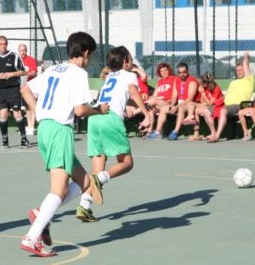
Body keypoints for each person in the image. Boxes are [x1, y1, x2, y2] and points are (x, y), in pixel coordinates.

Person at [19, 32, 109, 257]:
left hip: (46, 130)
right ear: (86, 53)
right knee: (58, 190)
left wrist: (39, 112)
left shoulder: (53, 69)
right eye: (91, 55)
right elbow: (79, 110)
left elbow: (25, 89)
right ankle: (32, 238)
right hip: (60, 130)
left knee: (85, 181)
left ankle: (42, 213)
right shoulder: (79, 73)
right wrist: (98, 109)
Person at [75, 46, 150, 222]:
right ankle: (101, 179)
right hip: (110, 118)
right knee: (127, 163)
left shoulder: (109, 76)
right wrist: (146, 114)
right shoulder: (129, 74)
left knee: (97, 166)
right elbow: (132, 92)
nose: (132, 62)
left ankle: (84, 205)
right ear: (125, 62)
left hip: (94, 118)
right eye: (131, 59)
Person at [202, 51, 255, 143]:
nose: (238, 72)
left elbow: (246, 64)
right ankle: (213, 133)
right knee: (206, 111)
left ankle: (217, 136)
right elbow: (227, 96)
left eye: (241, 70)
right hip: (225, 104)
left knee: (223, 111)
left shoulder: (249, 79)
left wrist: (245, 56)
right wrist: (220, 101)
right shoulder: (233, 82)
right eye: (237, 70)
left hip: (239, 105)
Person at [0, 36, 29, 148]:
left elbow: (23, 72)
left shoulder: (14, 56)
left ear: (7, 44)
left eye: (5, 43)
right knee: (2, 114)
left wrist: (11, 74)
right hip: (1, 91)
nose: (3, 46)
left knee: (17, 113)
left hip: (13, 90)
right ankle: (5, 140)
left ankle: (24, 139)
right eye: (0, 44)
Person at [145, 63, 178, 139]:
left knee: (150, 102)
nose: (164, 72)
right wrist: (150, 98)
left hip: (166, 102)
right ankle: (151, 131)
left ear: (169, 70)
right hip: (157, 103)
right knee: (150, 108)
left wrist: (172, 104)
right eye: (161, 71)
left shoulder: (174, 78)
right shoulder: (159, 82)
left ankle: (141, 116)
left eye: (165, 70)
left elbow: (174, 94)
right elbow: (155, 95)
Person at [167, 62, 199, 140]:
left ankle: (175, 132)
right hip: (181, 104)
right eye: (180, 73)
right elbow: (174, 96)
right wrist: (172, 105)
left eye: (184, 72)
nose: (182, 74)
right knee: (164, 109)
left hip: (192, 104)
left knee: (181, 109)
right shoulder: (176, 80)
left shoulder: (192, 81)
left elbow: (190, 98)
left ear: (188, 71)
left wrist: (177, 107)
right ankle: (157, 132)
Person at [188, 73, 223, 141]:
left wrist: (203, 94)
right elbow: (202, 101)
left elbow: (210, 103)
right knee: (191, 104)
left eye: (203, 83)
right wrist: (202, 95)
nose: (202, 85)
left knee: (198, 111)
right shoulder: (205, 88)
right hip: (208, 105)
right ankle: (195, 130)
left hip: (217, 106)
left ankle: (213, 133)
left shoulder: (216, 88)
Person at [18, 43, 38, 136]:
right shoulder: (17, 60)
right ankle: (29, 126)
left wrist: (25, 74)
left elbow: (34, 73)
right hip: (22, 88)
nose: (23, 52)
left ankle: (32, 126)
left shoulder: (31, 60)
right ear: (19, 51)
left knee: (32, 106)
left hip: (32, 87)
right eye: (21, 50)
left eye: (24, 50)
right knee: (27, 107)